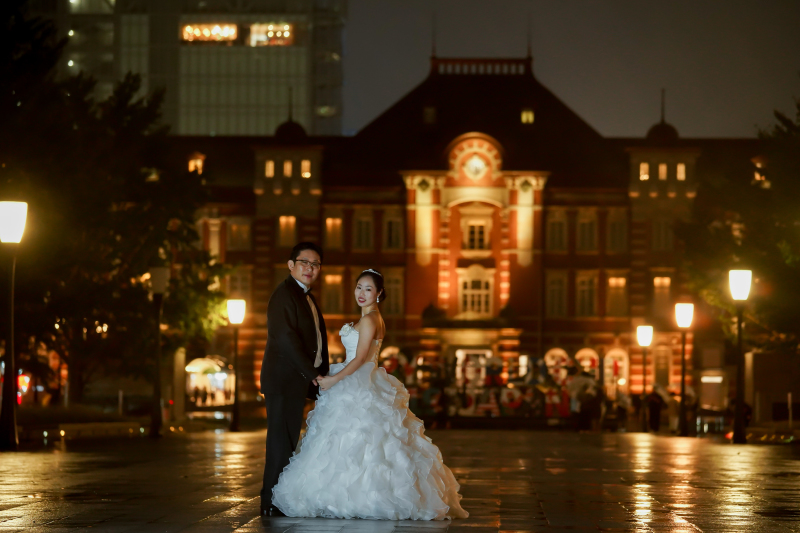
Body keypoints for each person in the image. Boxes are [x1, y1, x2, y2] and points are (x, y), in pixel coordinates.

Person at [272, 269, 468, 520]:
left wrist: (333, 379)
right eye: (358, 287)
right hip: (362, 380)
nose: (361, 293)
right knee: (354, 441)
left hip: (359, 382)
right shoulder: (373, 318)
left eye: (368, 289)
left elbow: (360, 358)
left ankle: (356, 496)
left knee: (356, 441)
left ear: (379, 293)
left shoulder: (370, 319)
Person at [259, 242, 329, 517]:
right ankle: (270, 501)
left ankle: (280, 497)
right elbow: (286, 339)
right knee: (280, 441)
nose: (310, 268)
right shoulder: (283, 295)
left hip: (295, 380)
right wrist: (313, 374)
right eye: (305, 262)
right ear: (291, 265)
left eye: (315, 264)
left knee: (287, 440)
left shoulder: (305, 296)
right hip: (283, 380)